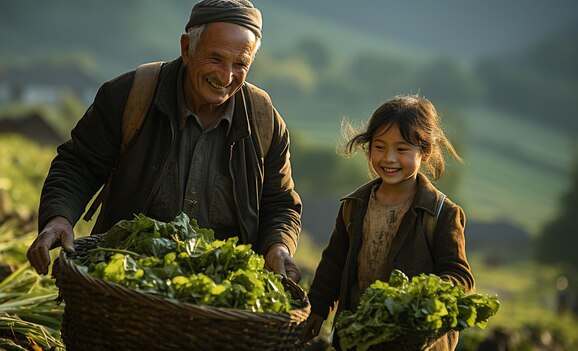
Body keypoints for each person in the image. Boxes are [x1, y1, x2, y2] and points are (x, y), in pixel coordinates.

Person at [26, 0, 302, 282]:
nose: (226, 76)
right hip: (123, 279)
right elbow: (78, 165)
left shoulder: (264, 122)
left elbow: (280, 203)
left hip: (219, 293)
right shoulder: (131, 96)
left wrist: (278, 245)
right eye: (216, 59)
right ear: (186, 48)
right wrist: (59, 218)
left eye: (240, 64)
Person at [302, 94, 475, 350]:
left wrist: (421, 296)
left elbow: (461, 277)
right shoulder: (355, 205)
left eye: (402, 149)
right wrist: (316, 308)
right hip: (356, 336)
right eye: (380, 147)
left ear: (424, 152)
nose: (389, 158)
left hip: (412, 343)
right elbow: (333, 264)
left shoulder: (441, 213)